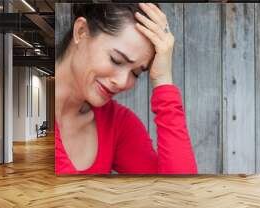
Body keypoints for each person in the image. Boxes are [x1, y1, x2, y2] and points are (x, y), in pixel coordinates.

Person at [55, 3, 197, 174]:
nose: (123, 82)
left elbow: (179, 193)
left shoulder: (117, 124)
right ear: (81, 32)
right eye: (116, 60)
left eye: (136, 73)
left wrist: (163, 79)